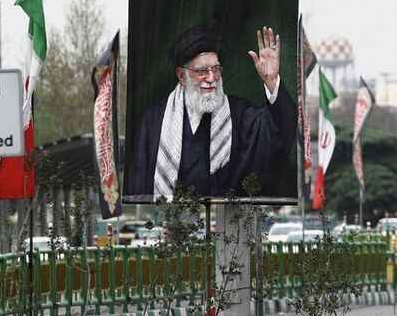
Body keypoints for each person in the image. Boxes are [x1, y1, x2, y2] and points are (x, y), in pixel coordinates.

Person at [124, 23, 295, 201]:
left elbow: (278, 129)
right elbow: (139, 183)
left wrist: (271, 81)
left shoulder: (239, 114)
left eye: (216, 69)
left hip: (226, 220)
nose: (211, 78)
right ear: (181, 76)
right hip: (171, 218)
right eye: (201, 71)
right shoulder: (154, 121)